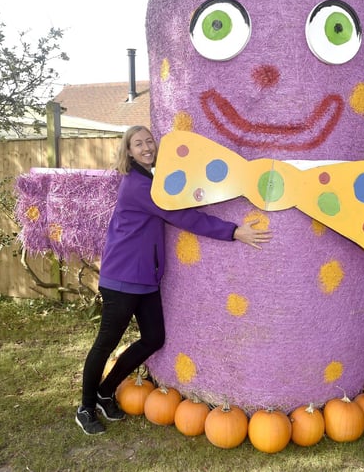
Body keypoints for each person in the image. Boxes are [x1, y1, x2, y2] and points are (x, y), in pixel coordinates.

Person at [76, 125, 272, 435]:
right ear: (128, 151)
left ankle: (105, 391)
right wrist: (234, 231)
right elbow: (183, 217)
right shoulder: (138, 186)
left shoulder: (152, 180)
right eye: (138, 144)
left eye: (149, 141)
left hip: (145, 278)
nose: (146, 147)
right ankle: (86, 406)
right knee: (105, 343)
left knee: (154, 338)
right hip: (121, 278)